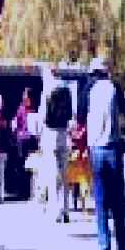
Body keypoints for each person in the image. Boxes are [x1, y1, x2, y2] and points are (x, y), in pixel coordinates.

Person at [86, 56, 125, 250]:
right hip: (114, 148)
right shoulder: (115, 88)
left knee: (101, 203)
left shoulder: (89, 91)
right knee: (118, 203)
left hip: (97, 150)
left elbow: (81, 117)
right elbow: (124, 114)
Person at [42, 75, 73, 222]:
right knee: (64, 174)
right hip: (64, 134)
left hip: (51, 133)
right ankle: (65, 209)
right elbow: (70, 115)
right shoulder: (67, 91)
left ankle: (54, 210)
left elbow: (43, 117)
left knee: (52, 174)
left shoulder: (48, 91)